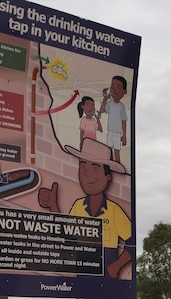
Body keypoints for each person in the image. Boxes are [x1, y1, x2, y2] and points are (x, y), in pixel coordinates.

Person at [38, 138, 132, 279]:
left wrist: (117, 266)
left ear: (108, 177)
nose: (87, 174)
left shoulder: (113, 211)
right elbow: (65, 238)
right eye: (83, 167)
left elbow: (132, 241)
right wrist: (53, 207)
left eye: (95, 168)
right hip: (83, 277)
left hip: (106, 280)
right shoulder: (78, 206)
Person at [99, 75, 128, 164]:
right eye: (113, 86)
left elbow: (124, 121)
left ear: (124, 92)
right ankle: (109, 165)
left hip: (117, 133)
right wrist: (105, 99)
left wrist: (124, 135)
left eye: (118, 87)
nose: (114, 89)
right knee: (109, 150)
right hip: (110, 132)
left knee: (116, 151)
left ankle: (118, 166)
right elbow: (102, 110)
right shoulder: (110, 103)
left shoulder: (121, 106)